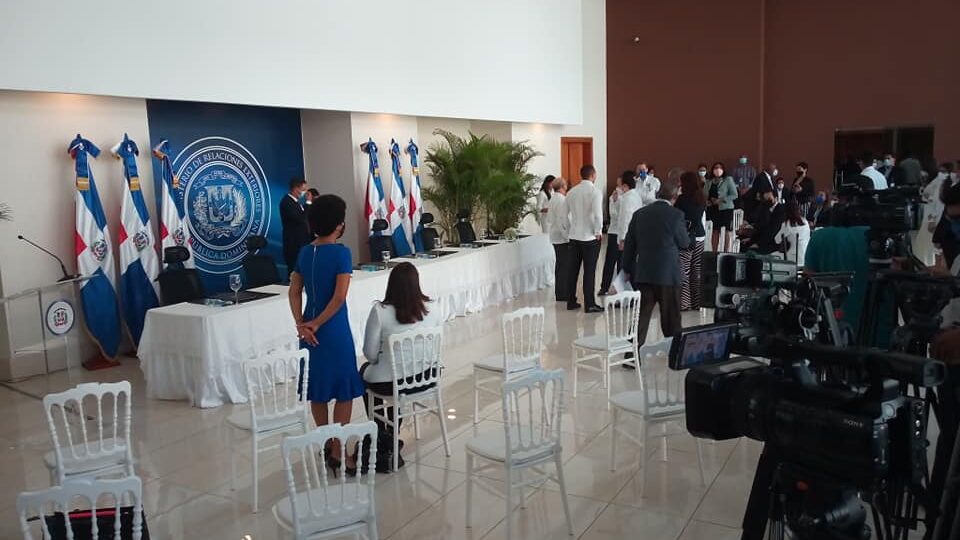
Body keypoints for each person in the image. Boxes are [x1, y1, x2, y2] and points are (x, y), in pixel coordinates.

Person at [288, 194, 364, 471]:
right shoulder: (341, 253)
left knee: (317, 390)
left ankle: (327, 441)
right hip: (332, 328)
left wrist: (301, 323)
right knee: (344, 390)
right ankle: (339, 450)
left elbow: (294, 291)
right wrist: (318, 323)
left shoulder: (304, 252)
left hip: (308, 330)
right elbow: (339, 297)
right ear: (338, 224)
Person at [361, 262, 443, 471]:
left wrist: (381, 360)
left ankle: (382, 434)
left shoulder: (380, 311)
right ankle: (391, 433)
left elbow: (370, 354)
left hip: (392, 383)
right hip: (426, 378)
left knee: (366, 373)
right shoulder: (433, 308)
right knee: (395, 375)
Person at [622, 170, 690, 346]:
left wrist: (627, 269)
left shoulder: (640, 214)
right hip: (668, 274)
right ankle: (674, 351)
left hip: (644, 272)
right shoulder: (676, 215)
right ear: (674, 197)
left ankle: (631, 353)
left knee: (641, 317)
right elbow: (684, 243)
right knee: (671, 318)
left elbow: (630, 244)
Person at [565, 165, 604, 313]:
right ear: (593, 175)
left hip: (574, 236)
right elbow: (598, 215)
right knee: (589, 271)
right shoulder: (595, 192)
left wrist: (569, 231)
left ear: (581, 175)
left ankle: (571, 301)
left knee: (572, 270)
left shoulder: (571, 192)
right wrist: (598, 231)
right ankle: (590, 304)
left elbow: (564, 215)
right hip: (589, 237)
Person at [675, 171, 706, 310]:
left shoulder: (682, 199)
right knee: (696, 270)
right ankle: (697, 302)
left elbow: (677, 216)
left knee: (684, 269)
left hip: (687, 237)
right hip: (700, 235)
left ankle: (684, 302)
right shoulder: (701, 198)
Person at [599, 172, 629, 296]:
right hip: (614, 232)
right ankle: (604, 287)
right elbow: (614, 214)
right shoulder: (615, 196)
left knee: (622, 262)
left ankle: (620, 288)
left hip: (624, 233)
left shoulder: (628, 196)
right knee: (610, 261)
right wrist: (616, 202)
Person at [281, 176, 311, 276]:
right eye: (303, 189)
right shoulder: (287, 202)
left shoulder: (297, 203)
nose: (305, 192)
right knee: (295, 272)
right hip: (293, 244)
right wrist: (308, 202)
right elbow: (300, 218)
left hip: (302, 243)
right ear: (296, 188)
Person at [547, 178, 571, 301]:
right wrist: (567, 235)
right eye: (565, 184)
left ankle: (560, 292)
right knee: (564, 265)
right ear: (562, 186)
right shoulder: (562, 200)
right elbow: (562, 220)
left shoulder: (552, 199)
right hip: (562, 236)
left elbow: (550, 218)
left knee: (560, 265)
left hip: (555, 235)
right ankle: (563, 293)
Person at [705, 162, 738, 251]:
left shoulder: (728, 180)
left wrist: (722, 200)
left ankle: (726, 250)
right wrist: (708, 201)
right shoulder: (709, 181)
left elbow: (734, 195)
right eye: (716, 168)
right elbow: (704, 195)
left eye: (720, 168)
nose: (717, 170)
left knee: (726, 230)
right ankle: (714, 251)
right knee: (715, 230)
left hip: (726, 208)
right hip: (713, 208)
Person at [740, 190, 785, 254]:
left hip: (771, 242)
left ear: (776, 198)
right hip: (761, 238)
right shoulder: (765, 207)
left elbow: (772, 230)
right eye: (765, 199)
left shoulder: (780, 210)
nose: (767, 200)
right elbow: (761, 227)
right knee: (742, 245)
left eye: (769, 198)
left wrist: (758, 244)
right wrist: (751, 239)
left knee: (749, 251)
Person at [774, 201, 810, 265]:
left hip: (794, 257)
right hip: (806, 256)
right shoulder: (805, 222)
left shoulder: (787, 225)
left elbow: (777, 240)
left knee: (772, 256)